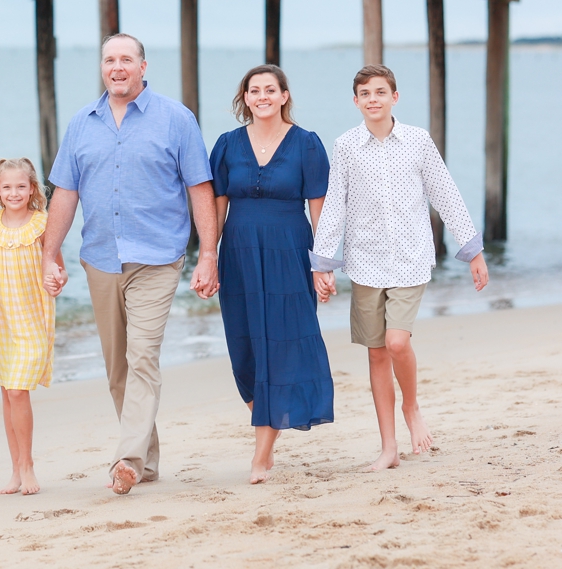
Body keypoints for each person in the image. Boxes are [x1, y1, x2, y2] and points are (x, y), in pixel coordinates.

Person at [41, 33, 218, 496]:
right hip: (100, 258)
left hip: (157, 258)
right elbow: (65, 192)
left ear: (143, 65)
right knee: (118, 368)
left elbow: (200, 188)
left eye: (126, 59)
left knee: (142, 356)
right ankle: (148, 460)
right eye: (108, 60)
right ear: (102, 67)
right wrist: (48, 252)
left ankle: (127, 457)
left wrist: (209, 255)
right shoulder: (82, 123)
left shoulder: (176, 119)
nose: (117, 68)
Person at [311, 65, 489, 472]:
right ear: (355, 101)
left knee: (395, 343)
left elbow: (445, 192)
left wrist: (472, 249)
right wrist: (323, 263)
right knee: (376, 354)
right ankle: (388, 447)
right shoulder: (346, 146)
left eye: (380, 92)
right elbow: (334, 205)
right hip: (365, 261)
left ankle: (412, 405)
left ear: (395, 96)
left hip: (410, 258)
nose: (373, 99)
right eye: (365, 93)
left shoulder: (418, 141)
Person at [208, 65, 335, 484]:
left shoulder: (307, 145)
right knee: (244, 354)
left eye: (270, 89)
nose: (261, 96)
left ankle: (261, 455)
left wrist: (323, 266)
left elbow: (321, 212)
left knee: (281, 350)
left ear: (284, 96)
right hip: (239, 254)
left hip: (290, 253)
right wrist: (208, 257)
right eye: (253, 90)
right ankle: (269, 419)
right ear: (245, 98)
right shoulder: (227, 145)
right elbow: (217, 208)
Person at [0, 157, 65, 496]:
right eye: (7, 187)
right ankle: (15, 470)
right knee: (8, 393)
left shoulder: (42, 223)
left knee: (19, 390)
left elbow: (56, 269)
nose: (14, 192)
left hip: (33, 320)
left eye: (21, 186)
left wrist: (56, 281)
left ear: (32, 188)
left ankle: (28, 466)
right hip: (1, 321)